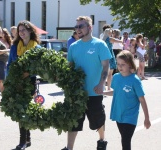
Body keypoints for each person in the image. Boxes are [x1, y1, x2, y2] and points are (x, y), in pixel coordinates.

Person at [62, 16, 112, 150]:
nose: (77, 29)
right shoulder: (73, 46)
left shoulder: (99, 45)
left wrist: (101, 83)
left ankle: (102, 140)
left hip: (94, 91)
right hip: (77, 92)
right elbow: (70, 67)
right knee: (74, 121)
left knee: (98, 120)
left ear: (89, 28)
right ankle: (69, 147)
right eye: (76, 27)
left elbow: (106, 66)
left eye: (81, 26)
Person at [103, 50, 151, 150]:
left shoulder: (135, 80)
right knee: (124, 139)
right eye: (118, 64)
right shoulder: (116, 77)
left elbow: (142, 99)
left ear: (130, 64)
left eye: (123, 64)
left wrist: (147, 118)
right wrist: (102, 93)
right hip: (118, 114)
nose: (120, 67)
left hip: (130, 116)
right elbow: (115, 93)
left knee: (125, 140)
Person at [7, 20, 41, 150]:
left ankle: (24, 141)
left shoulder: (36, 47)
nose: (21, 33)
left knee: (24, 109)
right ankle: (26, 139)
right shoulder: (15, 46)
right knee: (21, 110)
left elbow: (38, 67)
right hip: (17, 81)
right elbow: (10, 64)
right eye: (19, 30)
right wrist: (9, 80)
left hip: (30, 82)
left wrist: (27, 74)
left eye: (24, 30)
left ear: (30, 31)